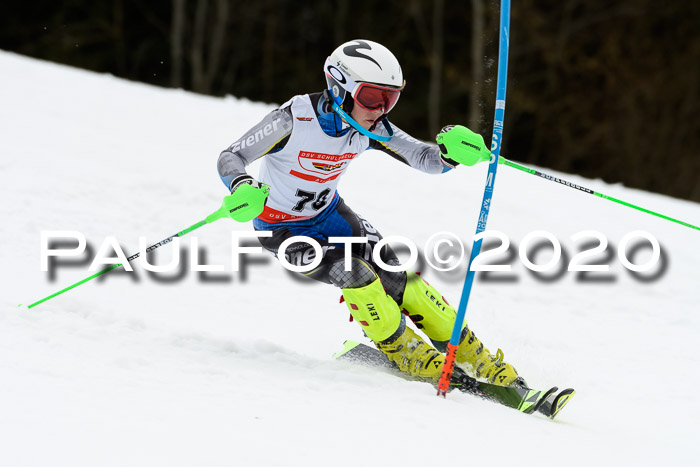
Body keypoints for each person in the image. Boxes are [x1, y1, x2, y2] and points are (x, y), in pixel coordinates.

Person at [217, 39, 524, 388]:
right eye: (372, 98)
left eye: (390, 99)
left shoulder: (371, 127)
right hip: (283, 232)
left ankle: (474, 356)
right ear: (339, 86)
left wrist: (452, 155)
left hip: (333, 217)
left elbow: (424, 158)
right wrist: (241, 186)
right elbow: (231, 156)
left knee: (400, 278)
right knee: (355, 273)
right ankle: (404, 351)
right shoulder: (293, 119)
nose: (381, 109)